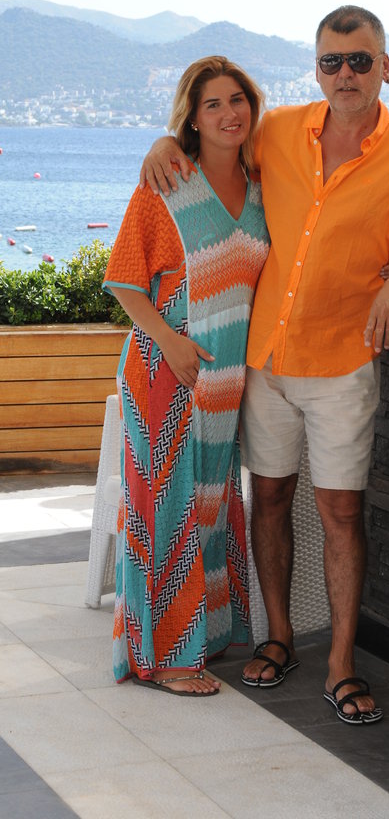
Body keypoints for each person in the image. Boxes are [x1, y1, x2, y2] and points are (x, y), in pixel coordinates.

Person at [140, 5, 389, 722]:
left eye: (360, 60)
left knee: (342, 511)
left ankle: (341, 662)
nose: (345, 74)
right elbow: (215, 141)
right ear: (316, 69)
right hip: (266, 360)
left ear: (384, 66)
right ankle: (278, 636)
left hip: (343, 361)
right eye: (331, 62)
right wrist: (163, 139)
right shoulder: (279, 130)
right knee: (269, 497)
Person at [103, 56, 270, 696]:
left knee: (210, 504)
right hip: (165, 363)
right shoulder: (167, 182)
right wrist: (169, 341)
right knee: (166, 508)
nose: (229, 113)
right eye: (212, 105)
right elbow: (125, 279)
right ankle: (165, 658)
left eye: (237, 100)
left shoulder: (261, 186)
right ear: (192, 119)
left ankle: (204, 634)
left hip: (226, 378)